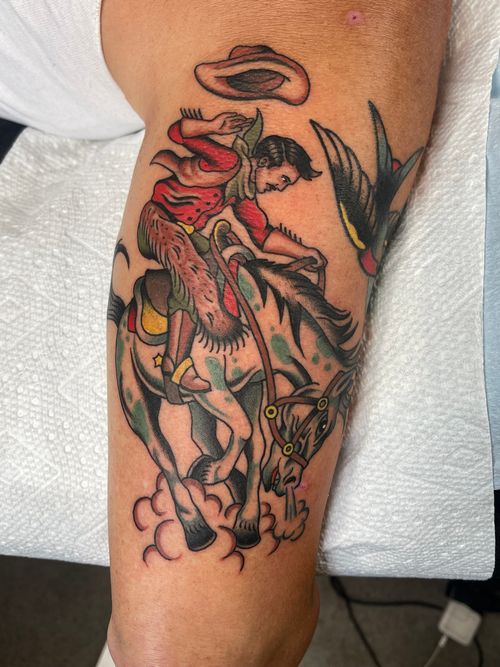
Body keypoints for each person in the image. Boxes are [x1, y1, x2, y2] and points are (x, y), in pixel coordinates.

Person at [137, 109, 324, 393]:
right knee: (195, 279)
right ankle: (175, 367)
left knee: (227, 269)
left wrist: (304, 252)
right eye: (283, 178)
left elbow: (263, 236)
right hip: (158, 223)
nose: (279, 187)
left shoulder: (242, 193)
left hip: (188, 234)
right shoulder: (230, 162)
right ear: (264, 163)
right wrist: (212, 125)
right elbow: (177, 132)